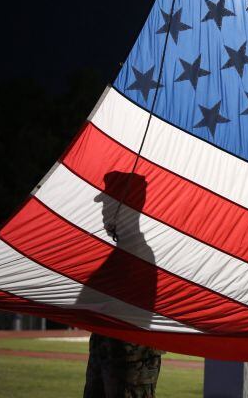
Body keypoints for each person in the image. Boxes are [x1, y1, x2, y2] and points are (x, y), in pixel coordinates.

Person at [78, 171, 163, 398]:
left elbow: (91, 300)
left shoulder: (138, 255)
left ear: (125, 207)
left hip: (128, 365)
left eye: (109, 203)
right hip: (108, 357)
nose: (103, 210)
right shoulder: (121, 255)